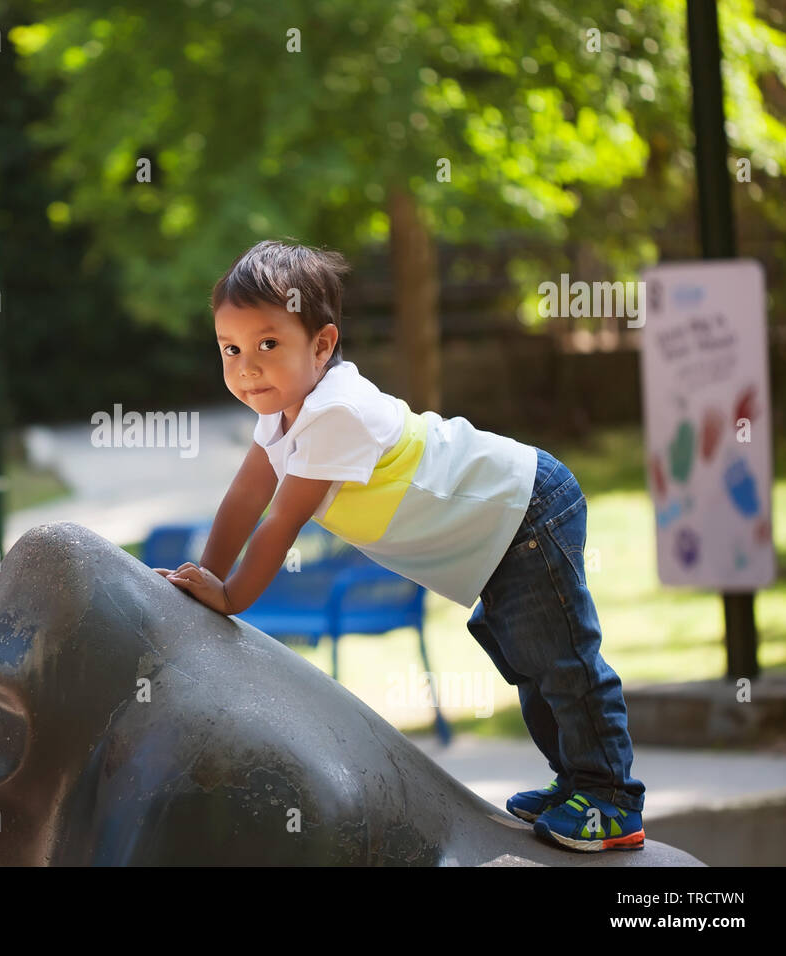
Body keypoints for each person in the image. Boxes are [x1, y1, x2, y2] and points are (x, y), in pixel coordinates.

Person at [155, 238, 646, 852]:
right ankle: (576, 784)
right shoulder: (282, 414)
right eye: (231, 349)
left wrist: (229, 598)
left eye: (267, 345)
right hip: (496, 531)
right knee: (527, 660)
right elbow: (244, 499)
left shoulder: (335, 413)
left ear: (323, 345)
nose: (246, 367)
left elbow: (279, 524)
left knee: (560, 660)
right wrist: (202, 574)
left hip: (522, 508)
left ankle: (612, 799)